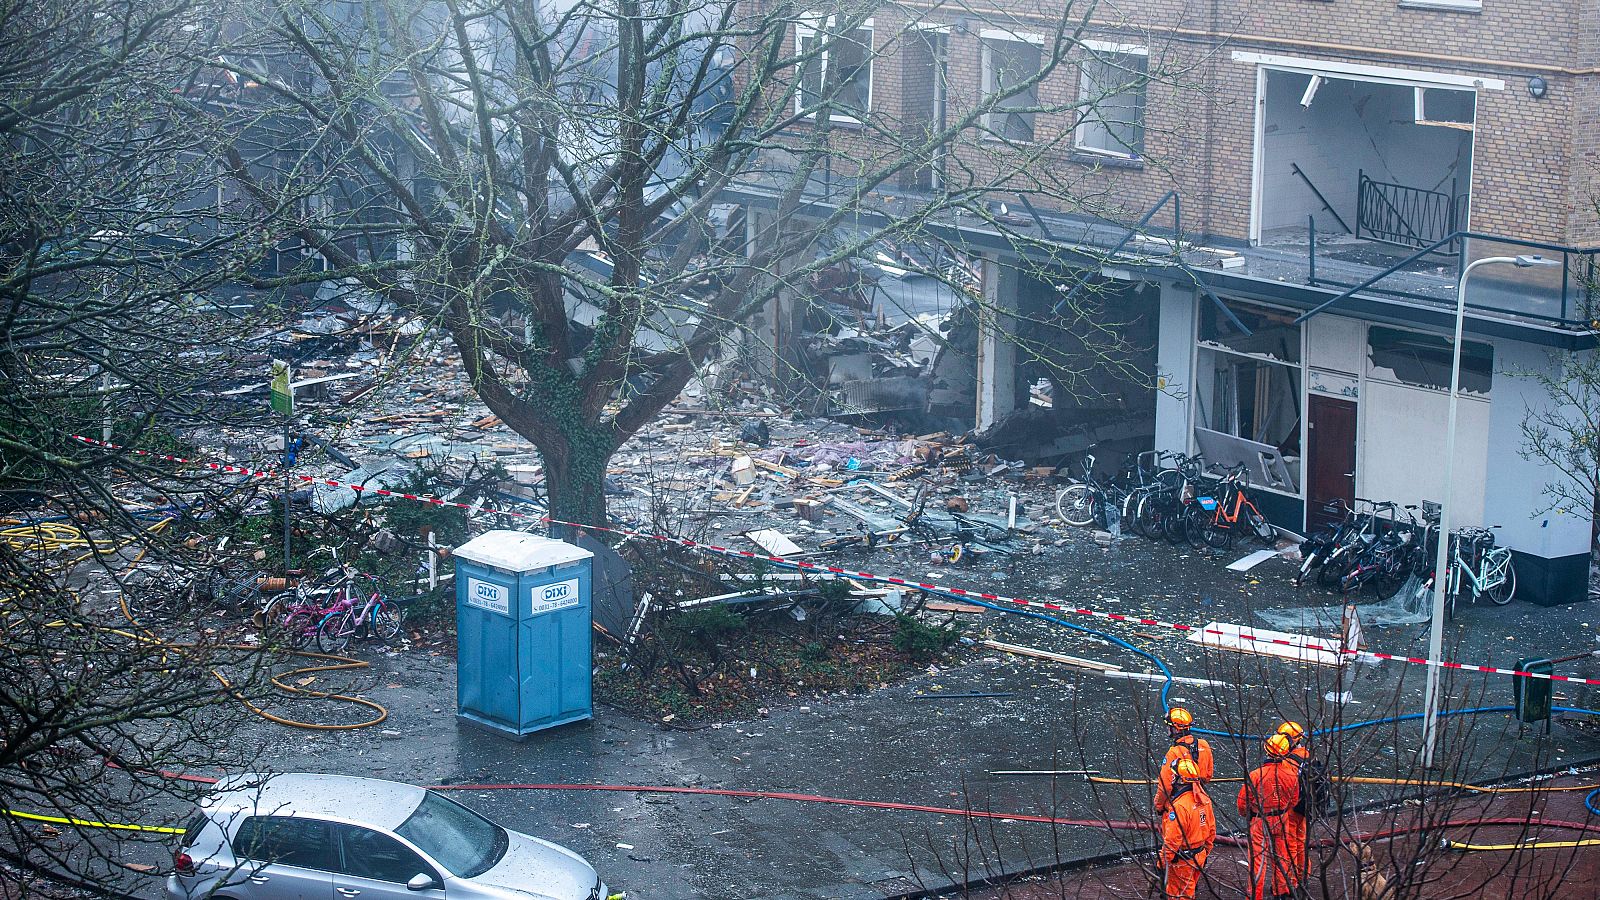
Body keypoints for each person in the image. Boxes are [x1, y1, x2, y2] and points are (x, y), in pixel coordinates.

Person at [1237, 733, 1307, 900]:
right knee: (1281, 857)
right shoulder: (1291, 775)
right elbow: (1294, 799)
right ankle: (1281, 892)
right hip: (1282, 819)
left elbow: (1242, 802)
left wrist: (1248, 814)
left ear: (1267, 751)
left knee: (1258, 861)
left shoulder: (1256, 775)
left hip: (1261, 821)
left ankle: (1255, 895)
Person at [1160, 757, 1216, 900]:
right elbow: (1211, 831)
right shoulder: (1204, 799)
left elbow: (1172, 841)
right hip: (1199, 856)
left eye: (1174, 775)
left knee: (1179, 895)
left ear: (1180, 779)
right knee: (1189, 890)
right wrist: (1205, 852)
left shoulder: (1179, 807)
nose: (1172, 777)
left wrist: (1161, 863)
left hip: (1183, 861)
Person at [1155, 707, 1214, 814]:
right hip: (1202, 802)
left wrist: (1159, 807)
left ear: (1176, 729)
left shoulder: (1174, 753)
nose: (1167, 729)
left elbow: (1165, 786)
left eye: (1169, 726)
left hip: (1178, 805)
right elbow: (1208, 775)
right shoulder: (1204, 745)